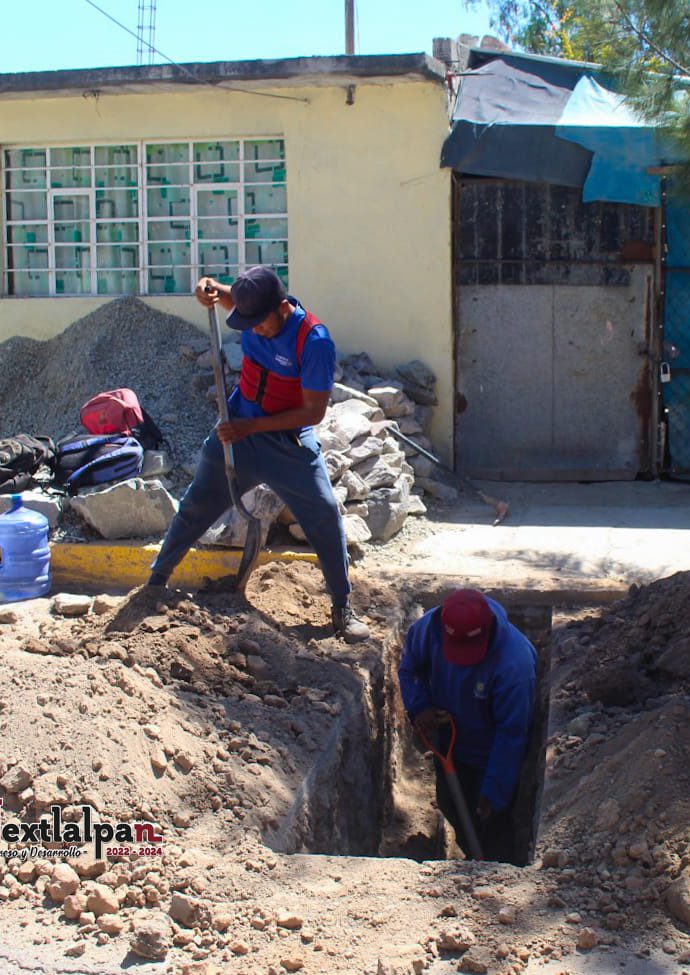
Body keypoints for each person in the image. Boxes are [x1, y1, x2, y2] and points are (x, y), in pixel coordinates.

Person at [147, 265, 369, 642]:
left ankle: (342, 606)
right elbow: (224, 294)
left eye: (261, 323)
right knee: (196, 505)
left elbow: (313, 413)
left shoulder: (314, 342)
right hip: (237, 432)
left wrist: (251, 427)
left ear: (282, 308)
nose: (255, 330)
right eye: (248, 323)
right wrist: (208, 288)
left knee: (325, 516)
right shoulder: (253, 311)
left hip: (288, 445)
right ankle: (155, 583)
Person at [398, 588, 538, 864]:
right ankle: (470, 851)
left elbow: (511, 734)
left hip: (492, 754)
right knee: (451, 805)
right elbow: (410, 669)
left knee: (492, 827)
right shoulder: (428, 628)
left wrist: (494, 791)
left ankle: (497, 869)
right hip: (449, 739)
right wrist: (420, 706)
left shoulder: (515, 666)